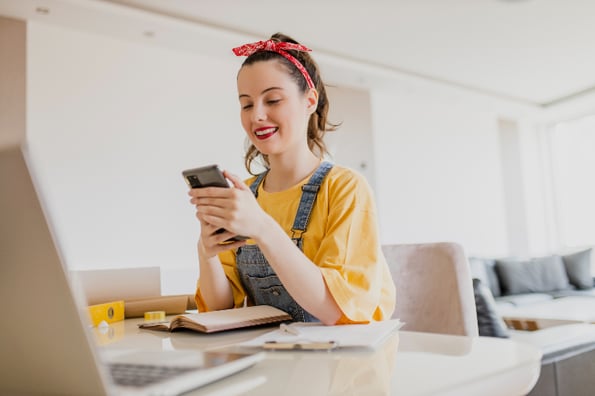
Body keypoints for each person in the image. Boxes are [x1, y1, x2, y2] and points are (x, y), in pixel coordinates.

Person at [189, 33, 395, 325]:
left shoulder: (345, 189)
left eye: (272, 99)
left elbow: (336, 311)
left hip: (343, 362)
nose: (257, 115)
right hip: (271, 361)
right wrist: (207, 251)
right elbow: (222, 312)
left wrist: (261, 226)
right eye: (246, 104)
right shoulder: (247, 195)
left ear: (310, 101)